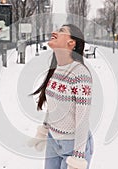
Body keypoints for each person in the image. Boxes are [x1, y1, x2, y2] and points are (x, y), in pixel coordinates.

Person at [28, 24, 94, 169]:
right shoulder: (57, 69)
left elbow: (82, 120)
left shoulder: (80, 74)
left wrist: (78, 157)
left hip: (73, 145)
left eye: (61, 31)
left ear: (71, 43)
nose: (54, 32)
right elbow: (53, 106)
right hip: (53, 139)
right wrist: (44, 129)